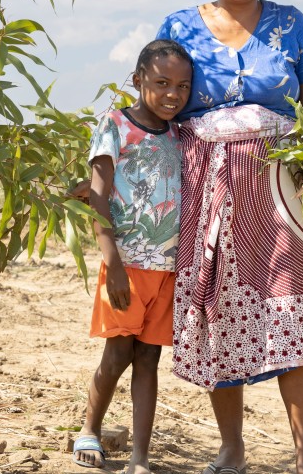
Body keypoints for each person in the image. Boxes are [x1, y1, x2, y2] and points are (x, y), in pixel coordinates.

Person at [156, 0, 303, 474]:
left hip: (278, 185)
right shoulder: (179, 26)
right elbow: (158, 100)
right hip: (202, 183)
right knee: (218, 307)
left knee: (291, 306)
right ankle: (232, 447)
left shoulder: (291, 23)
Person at [73, 39, 193, 474]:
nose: (172, 94)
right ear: (138, 80)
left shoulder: (182, 133)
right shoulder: (116, 124)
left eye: (182, 86)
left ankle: (139, 458)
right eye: (161, 83)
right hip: (127, 266)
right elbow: (98, 196)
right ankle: (90, 429)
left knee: (148, 359)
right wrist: (114, 265)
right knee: (117, 355)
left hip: (169, 268)